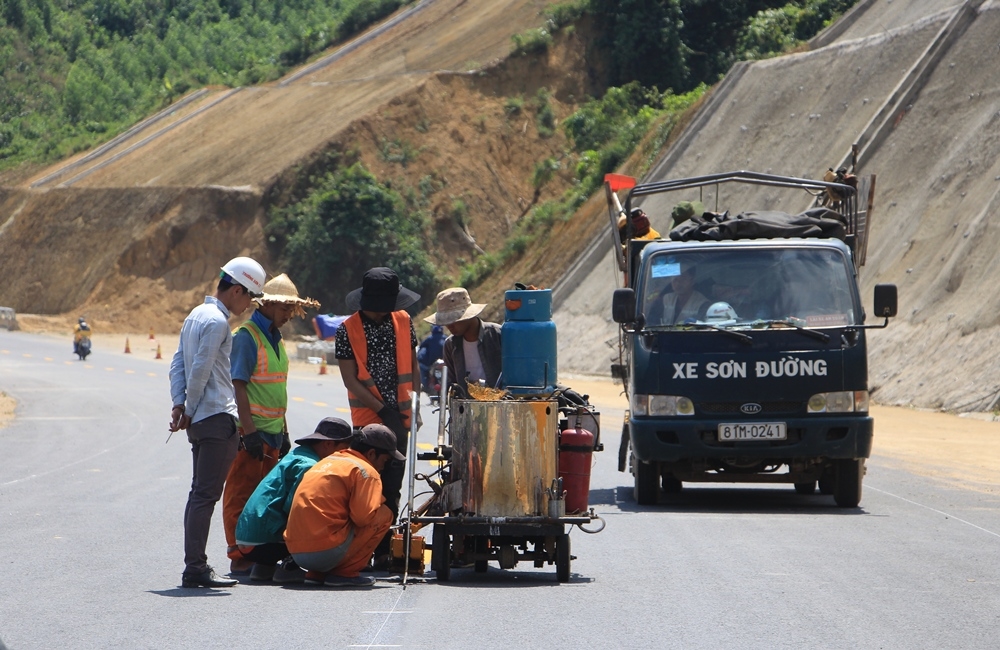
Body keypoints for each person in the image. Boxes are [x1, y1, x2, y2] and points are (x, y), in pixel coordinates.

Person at [169, 256, 265, 588]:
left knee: (200, 494)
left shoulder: (196, 315)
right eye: (250, 296)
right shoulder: (218, 323)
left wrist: (179, 404)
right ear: (236, 290)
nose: (250, 304)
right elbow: (200, 370)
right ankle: (195, 568)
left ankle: (195, 565)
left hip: (201, 417)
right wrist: (189, 408)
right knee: (205, 495)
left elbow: (178, 362)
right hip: (215, 417)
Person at [223, 273, 320, 575]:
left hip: (274, 433)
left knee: (265, 498)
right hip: (251, 433)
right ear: (268, 305)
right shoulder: (247, 337)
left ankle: (259, 551)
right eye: (285, 309)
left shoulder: (275, 339)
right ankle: (240, 555)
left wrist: (285, 432)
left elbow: (277, 387)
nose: (290, 314)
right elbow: (238, 385)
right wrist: (249, 433)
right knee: (241, 493)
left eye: (292, 309)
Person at [335, 266, 420, 568]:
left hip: (401, 417)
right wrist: (383, 410)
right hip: (368, 419)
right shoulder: (347, 329)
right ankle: (361, 549)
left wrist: (414, 405)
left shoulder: (403, 321)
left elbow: (413, 365)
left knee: (392, 484)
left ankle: (383, 549)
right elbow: (350, 379)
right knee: (367, 485)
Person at [234, 417, 354, 582]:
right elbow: (297, 509)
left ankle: (263, 567)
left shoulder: (296, 455)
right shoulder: (309, 466)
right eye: (343, 450)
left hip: (248, 539)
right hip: (264, 541)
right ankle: (289, 566)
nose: (344, 456)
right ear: (328, 444)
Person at [283, 424, 402, 587]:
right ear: (372, 453)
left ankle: (316, 574)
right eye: (384, 460)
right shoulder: (365, 470)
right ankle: (345, 573)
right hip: (324, 552)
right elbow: (363, 519)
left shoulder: (328, 461)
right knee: (384, 514)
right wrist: (377, 500)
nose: (383, 467)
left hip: (296, 552)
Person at [423, 287, 502, 398]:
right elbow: (452, 385)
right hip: (467, 411)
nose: (449, 325)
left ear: (468, 315)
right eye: (445, 321)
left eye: (453, 320)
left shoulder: (498, 335)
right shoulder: (450, 345)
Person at [417, 324, 446, 390]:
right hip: (444, 363)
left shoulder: (430, 338)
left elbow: (421, 346)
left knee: (422, 369)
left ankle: (424, 387)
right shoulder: (445, 338)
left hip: (431, 363)